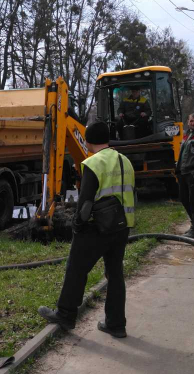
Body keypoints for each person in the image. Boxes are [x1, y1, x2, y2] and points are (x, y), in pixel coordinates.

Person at [39, 121, 136, 338]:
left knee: (76, 269)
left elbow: (85, 202)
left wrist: (77, 226)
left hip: (96, 228)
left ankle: (65, 315)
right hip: (122, 226)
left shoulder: (93, 163)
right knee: (115, 274)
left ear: (89, 141)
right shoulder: (125, 161)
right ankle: (116, 324)